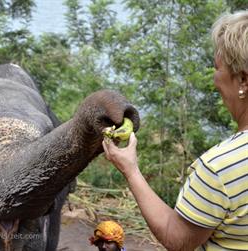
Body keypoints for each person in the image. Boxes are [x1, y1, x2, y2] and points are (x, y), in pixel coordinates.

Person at [102, 10, 248, 251]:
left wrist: (130, 169)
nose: (214, 80)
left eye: (217, 68)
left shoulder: (219, 170)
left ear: (243, 80)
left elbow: (177, 239)